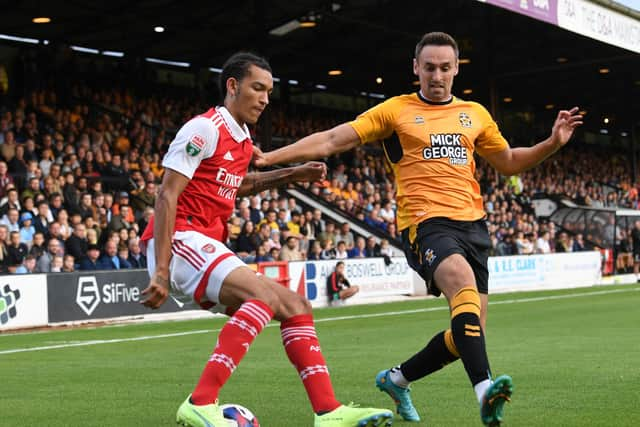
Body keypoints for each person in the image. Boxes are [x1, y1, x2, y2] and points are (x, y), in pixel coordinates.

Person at [255, 31, 583, 426]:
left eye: (445, 68)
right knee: (459, 282)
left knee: (468, 334)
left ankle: (397, 379)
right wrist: (269, 157)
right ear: (416, 68)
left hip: (474, 227)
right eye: (429, 67)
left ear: (457, 68)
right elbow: (331, 138)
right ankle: (485, 393)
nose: (437, 75)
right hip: (425, 223)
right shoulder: (395, 111)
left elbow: (510, 161)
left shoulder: (475, 114)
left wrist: (551, 143)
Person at [139, 52, 392, 427]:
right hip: (180, 238)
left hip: (205, 241)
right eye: (257, 88)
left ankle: (329, 411)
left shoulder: (242, 140)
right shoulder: (204, 129)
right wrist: (160, 271)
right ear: (232, 85)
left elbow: (239, 186)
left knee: (294, 304)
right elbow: (165, 195)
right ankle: (200, 401)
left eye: (269, 92)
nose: (264, 98)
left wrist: (293, 174)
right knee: (263, 296)